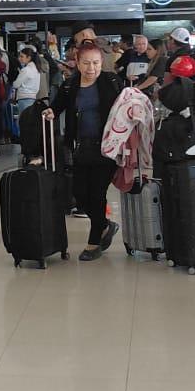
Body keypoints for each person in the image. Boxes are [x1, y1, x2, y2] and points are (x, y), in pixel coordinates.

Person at [46, 41, 125, 260]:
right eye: (87, 63)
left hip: (107, 148)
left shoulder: (111, 82)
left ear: (102, 62)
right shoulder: (70, 86)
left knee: (97, 193)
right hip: (80, 148)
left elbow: (126, 107)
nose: (92, 68)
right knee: (80, 194)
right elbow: (57, 105)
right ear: (78, 64)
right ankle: (105, 225)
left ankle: (94, 242)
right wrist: (51, 112)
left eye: (96, 63)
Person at [12, 45, 42, 118]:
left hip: (24, 98)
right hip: (33, 98)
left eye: (22, 56)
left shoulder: (26, 70)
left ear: (29, 58)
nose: (20, 58)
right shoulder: (36, 69)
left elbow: (15, 84)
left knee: (23, 122)